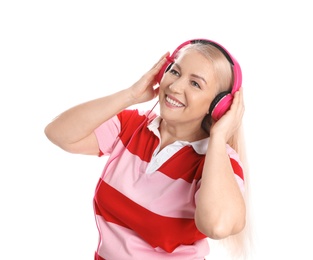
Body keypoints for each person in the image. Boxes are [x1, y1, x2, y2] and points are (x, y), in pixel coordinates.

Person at [44, 38, 252, 260]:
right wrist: (130, 95)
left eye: (195, 83)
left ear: (218, 105)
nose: (175, 86)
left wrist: (218, 137)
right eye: (174, 72)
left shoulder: (219, 161)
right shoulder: (130, 127)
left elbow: (217, 226)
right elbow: (58, 133)